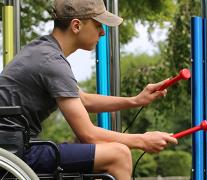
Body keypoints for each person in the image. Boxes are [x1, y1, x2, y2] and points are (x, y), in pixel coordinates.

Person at [0, 0, 178, 179]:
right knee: (119, 155)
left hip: (12, 148)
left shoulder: (43, 50)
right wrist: (142, 140)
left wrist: (135, 101)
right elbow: (88, 134)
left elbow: (83, 100)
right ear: (76, 25)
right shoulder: (52, 62)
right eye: (98, 25)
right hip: (14, 153)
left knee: (115, 152)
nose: (102, 32)